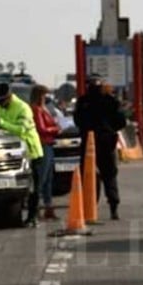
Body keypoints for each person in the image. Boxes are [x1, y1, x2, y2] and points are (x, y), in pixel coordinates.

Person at [72, 74, 127, 220]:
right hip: (107, 142)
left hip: (88, 144)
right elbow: (121, 121)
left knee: (89, 175)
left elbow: (77, 121)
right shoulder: (111, 101)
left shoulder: (83, 101)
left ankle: (91, 208)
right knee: (110, 175)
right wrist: (109, 129)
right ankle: (113, 208)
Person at [0, 81, 44, 227]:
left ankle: (33, 217)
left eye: (2, 101)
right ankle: (15, 217)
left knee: (33, 187)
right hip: (12, 153)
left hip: (31, 152)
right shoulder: (0, 107)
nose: (0, 104)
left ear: (9, 97)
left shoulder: (23, 108)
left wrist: (0, 122)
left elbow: (21, 130)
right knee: (15, 187)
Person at [30, 85, 60, 220]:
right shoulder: (36, 109)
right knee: (41, 177)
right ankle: (36, 207)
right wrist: (55, 129)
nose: (46, 98)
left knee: (48, 178)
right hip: (43, 144)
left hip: (49, 143)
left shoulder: (44, 109)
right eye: (44, 95)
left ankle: (48, 207)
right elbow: (41, 128)